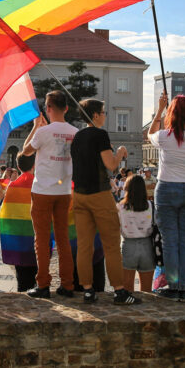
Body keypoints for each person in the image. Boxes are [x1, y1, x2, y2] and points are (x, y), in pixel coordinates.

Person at [70, 98, 139, 305]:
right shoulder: (100, 135)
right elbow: (110, 165)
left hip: (79, 195)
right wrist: (119, 153)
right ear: (95, 115)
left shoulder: (77, 137)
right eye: (103, 111)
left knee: (84, 246)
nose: (106, 115)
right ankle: (119, 291)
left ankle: (88, 290)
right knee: (111, 245)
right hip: (99, 194)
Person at [149, 92, 185, 302]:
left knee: (169, 242)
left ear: (172, 114)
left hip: (167, 189)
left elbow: (150, 134)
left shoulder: (165, 136)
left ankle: (174, 286)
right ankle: (184, 286)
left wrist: (160, 110)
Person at [21, 91, 78, 298]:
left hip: (43, 190)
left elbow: (26, 152)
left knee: (42, 240)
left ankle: (43, 284)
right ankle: (68, 284)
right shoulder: (75, 132)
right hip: (64, 191)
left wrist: (37, 126)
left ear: (48, 108)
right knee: (63, 239)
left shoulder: (44, 132)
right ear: (66, 108)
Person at [0, 152, 42, 292]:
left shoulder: (12, 186)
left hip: (18, 238)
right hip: (36, 237)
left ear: (18, 166)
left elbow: (5, 213)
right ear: (34, 165)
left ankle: (22, 293)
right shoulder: (39, 184)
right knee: (35, 270)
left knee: (21, 274)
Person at [118, 174, 155, 293]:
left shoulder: (120, 207)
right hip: (147, 246)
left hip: (128, 245)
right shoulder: (151, 206)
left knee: (127, 289)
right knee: (147, 291)